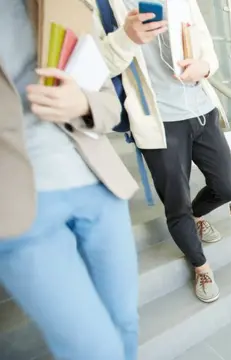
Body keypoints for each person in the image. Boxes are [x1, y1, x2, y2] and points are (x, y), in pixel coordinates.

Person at [0, 1, 139, 359]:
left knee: (125, 322)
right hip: (18, 210)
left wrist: (82, 103)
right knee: (95, 350)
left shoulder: (63, 5)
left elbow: (111, 105)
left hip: (99, 188)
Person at [96, 0, 231, 303]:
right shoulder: (103, 5)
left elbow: (204, 39)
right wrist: (126, 36)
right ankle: (200, 266)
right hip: (159, 120)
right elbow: (98, 67)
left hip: (202, 109)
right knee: (176, 203)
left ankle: (197, 215)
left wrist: (206, 66)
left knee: (227, 187)